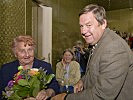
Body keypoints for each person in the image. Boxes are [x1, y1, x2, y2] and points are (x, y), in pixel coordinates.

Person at [51, 4, 133, 100]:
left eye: (88, 25)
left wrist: (65, 98)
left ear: (103, 24)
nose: (83, 31)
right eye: (81, 26)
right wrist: (82, 81)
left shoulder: (114, 48)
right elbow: (94, 71)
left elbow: (102, 95)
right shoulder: (99, 41)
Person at [0, 35, 59, 100]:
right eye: (22, 51)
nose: (27, 54)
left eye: (30, 50)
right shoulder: (6, 69)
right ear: (15, 54)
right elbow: (2, 94)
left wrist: (47, 92)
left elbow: (55, 87)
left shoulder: (45, 66)